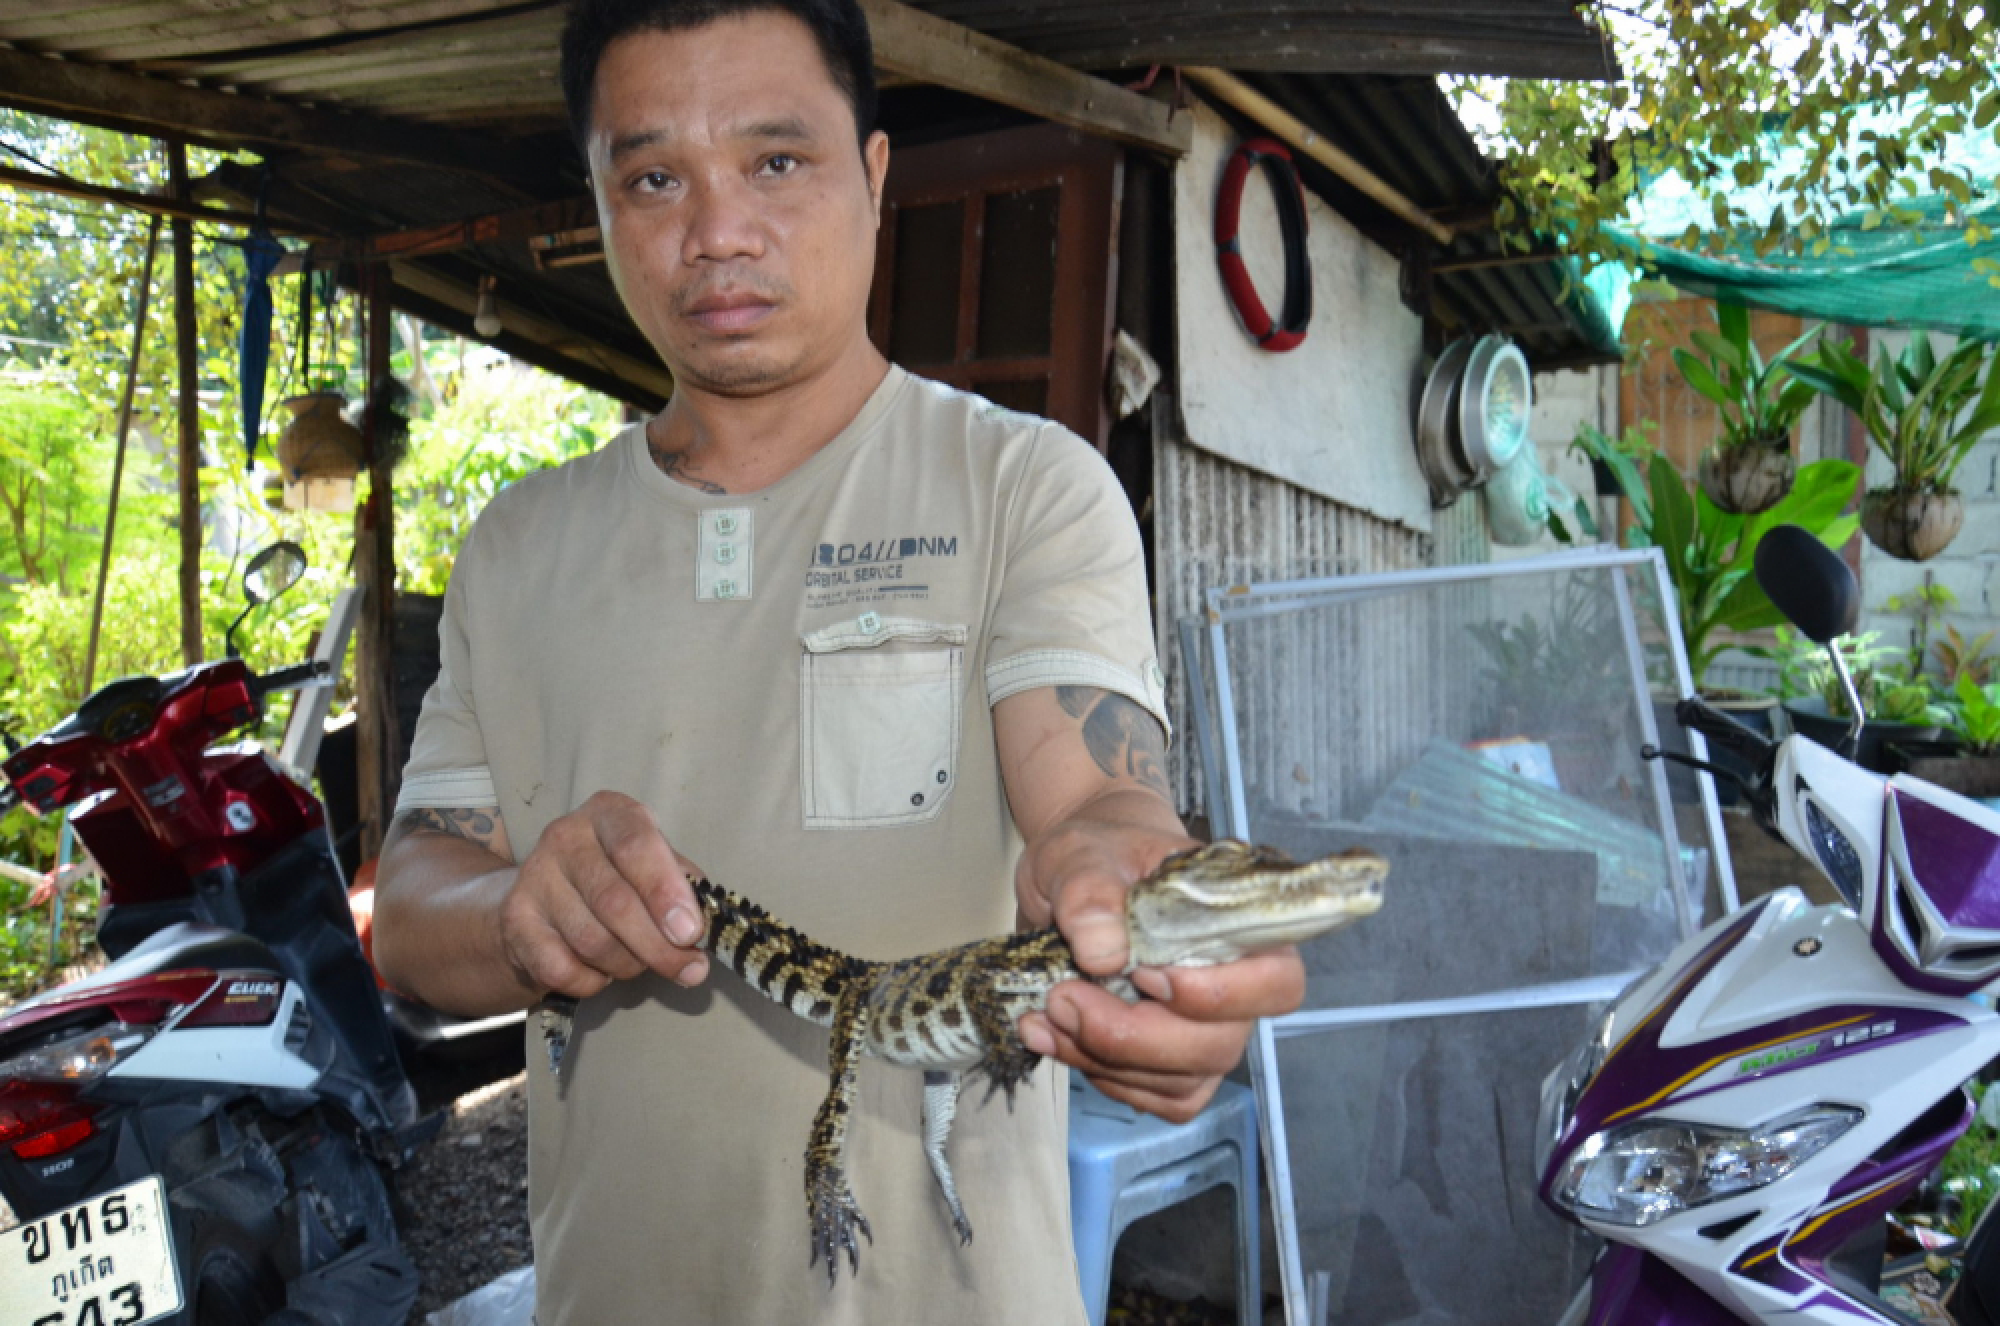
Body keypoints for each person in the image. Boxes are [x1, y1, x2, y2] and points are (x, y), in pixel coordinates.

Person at [370, 0, 1308, 1319]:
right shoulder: (516, 549)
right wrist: (521, 913)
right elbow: (415, 905)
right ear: (599, 204)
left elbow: (1101, 802)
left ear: (872, 177)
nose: (718, 232)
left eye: (776, 159)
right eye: (653, 178)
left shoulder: (1027, 488)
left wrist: (1137, 900)